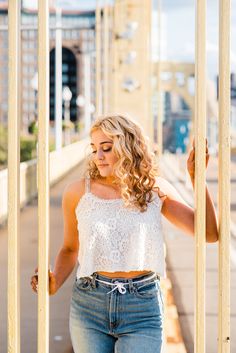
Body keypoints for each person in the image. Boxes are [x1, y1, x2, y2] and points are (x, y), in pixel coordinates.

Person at [31, 114, 218, 353]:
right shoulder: (78, 192)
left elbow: (208, 234)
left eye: (106, 148)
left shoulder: (154, 190)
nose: (98, 156)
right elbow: (70, 248)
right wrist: (54, 281)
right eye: (94, 148)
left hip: (142, 308)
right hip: (89, 305)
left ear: (127, 146)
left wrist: (197, 178)